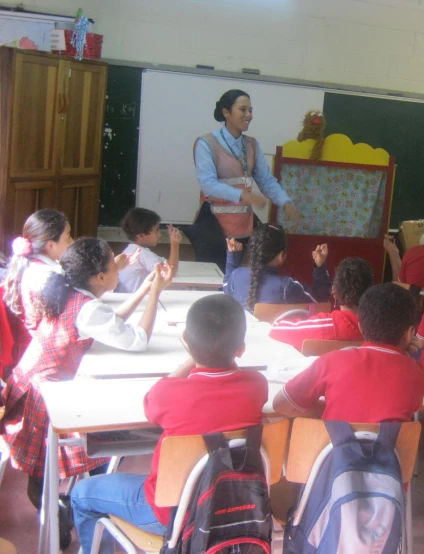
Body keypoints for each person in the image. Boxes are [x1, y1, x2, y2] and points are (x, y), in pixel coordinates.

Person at [70, 294, 268, 554]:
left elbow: (150, 404)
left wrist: (193, 358)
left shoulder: (169, 393)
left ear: (185, 339)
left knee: (82, 494)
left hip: (173, 515)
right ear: (241, 349)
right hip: (237, 507)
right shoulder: (257, 386)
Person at [0, 238, 172, 511]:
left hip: (35, 382)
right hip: (44, 392)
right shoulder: (87, 308)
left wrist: (146, 289)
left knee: (45, 469)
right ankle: (64, 517)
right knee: (46, 469)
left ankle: (66, 511)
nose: (119, 270)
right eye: (114, 267)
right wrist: (155, 295)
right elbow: (138, 340)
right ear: (101, 276)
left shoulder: (73, 294)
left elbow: (109, 321)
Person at [272, 283, 424, 422]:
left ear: (360, 326)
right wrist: (405, 352)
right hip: (389, 453)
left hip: (332, 451)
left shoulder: (330, 362)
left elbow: (280, 404)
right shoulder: (418, 375)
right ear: (409, 333)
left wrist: (329, 405)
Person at [191, 89, 299, 267]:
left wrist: (284, 201)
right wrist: (244, 195)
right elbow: (208, 184)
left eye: (251, 110)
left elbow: (266, 180)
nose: (249, 115)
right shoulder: (206, 143)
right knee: (217, 281)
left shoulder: (251, 145)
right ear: (226, 112)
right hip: (213, 229)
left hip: (244, 229)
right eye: (243, 110)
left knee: (243, 282)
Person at [2, 210, 74, 370]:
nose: (72, 242)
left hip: (36, 348)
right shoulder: (44, 276)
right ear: (50, 245)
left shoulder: (34, 265)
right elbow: (70, 314)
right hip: (37, 357)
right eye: (68, 237)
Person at [269, 257, 373, 350]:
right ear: (370, 292)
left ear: (334, 292)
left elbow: (276, 329)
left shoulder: (325, 325)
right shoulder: (379, 330)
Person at [223, 224, 330, 312]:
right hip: (278, 337)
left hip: (244, 337)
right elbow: (321, 304)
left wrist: (233, 256)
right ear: (281, 256)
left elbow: (226, 287)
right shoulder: (287, 286)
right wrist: (319, 267)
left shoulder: (236, 275)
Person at [117, 207, 181, 293]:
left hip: (129, 298)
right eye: (156, 230)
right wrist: (175, 245)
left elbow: (167, 264)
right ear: (141, 236)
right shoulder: (141, 253)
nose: (159, 234)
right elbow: (170, 272)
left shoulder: (131, 249)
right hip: (138, 302)